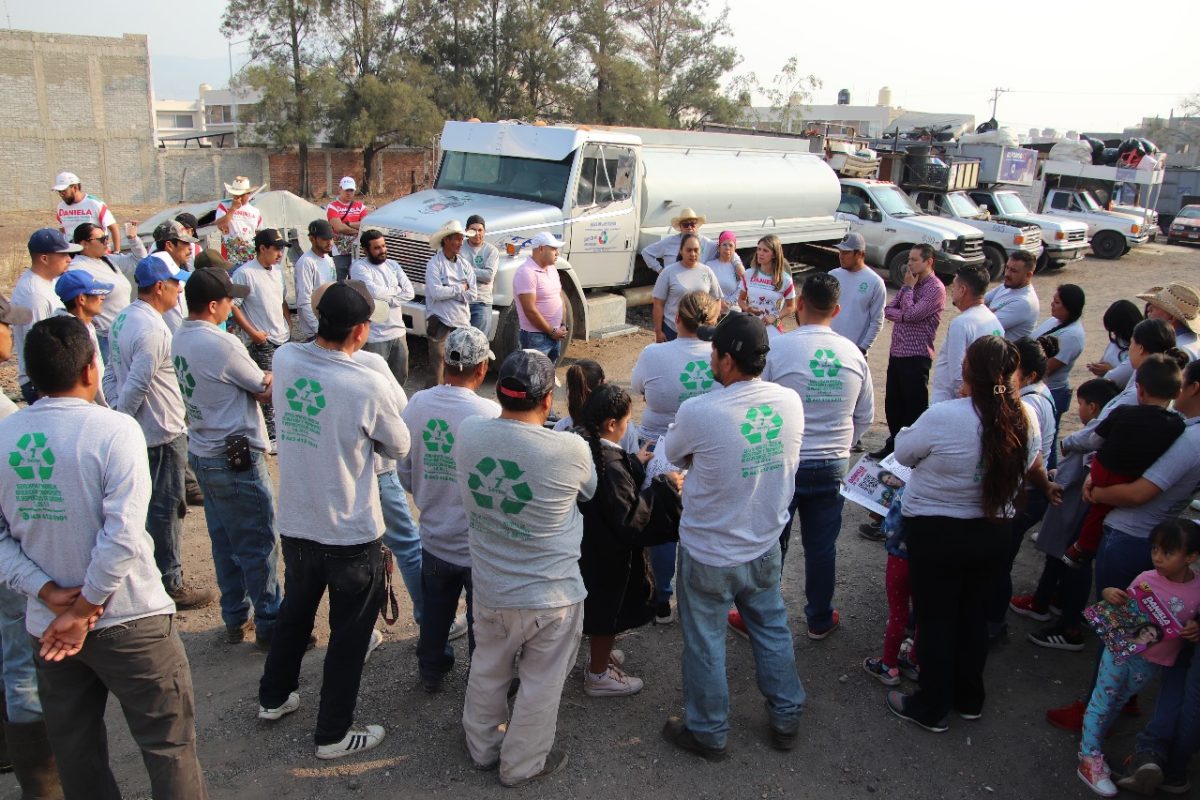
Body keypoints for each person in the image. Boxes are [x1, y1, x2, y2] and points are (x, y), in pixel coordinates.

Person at [0, 315, 207, 798]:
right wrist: (85, 608)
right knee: (169, 749)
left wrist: (45, 591)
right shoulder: (114, 430)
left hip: (48, 627)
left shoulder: (6, 435)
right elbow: (122, 535)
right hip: (129, 620)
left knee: (76, 755)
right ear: (91, 368)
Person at [257, 280, 409, 760]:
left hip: (298, 521)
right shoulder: (364, 383)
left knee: (295, 613)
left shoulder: (285, 358)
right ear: (361, 331)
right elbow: (400, 444)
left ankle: (274, 697)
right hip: (349, 530)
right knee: (349, 636)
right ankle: (332, 735)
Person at [661, 312, 806, 760]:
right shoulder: (789, 401)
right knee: (771, 628)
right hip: (763, 545)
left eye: (714, 351)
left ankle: (708, 731)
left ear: (726, 360)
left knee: (705, 641)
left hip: (709, 551)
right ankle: (786, 715)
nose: (710, 357)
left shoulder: (701, 410)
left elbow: (673, 454)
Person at [885, 336, 1043, 733]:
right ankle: (969, 698)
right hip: (993, 532)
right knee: (974, 615)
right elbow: (1030, 462)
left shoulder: (945, 416)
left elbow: (904, 452)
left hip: (938, 532)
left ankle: (932, 705)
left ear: (968, 370)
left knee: (936, 618)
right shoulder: (1025, 416)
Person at [458, 350, 596, 787]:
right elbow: (589, 492)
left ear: (498, 391)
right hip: (551, 594)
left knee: (488, 668)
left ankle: (482, 747)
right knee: (541, 684)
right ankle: (521, 764)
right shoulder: (569, 449)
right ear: (547, 400)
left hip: (492, 588)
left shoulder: (468, 433)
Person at [1033, 320, 1188, 659]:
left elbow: (1130, 485)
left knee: (1115, 609)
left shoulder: (1136, 415)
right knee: (1118, 608)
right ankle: (1117, 667)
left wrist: (1094, 485)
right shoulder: (1177, 426)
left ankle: (1102, 661)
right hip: (1131, 514)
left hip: (1125, 521)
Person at [741, 273, 872, 642]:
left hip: (785, 462)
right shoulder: (854, 355)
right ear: (837, 310)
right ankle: (819, 618)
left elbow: (757, 403)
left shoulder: (777, 349)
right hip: (833, 464)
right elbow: (864, 416)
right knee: (822, 547)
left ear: (799, 305)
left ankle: (757, 619)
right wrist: (840, 445)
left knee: (770, 542)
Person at [171, 268, 284, 649]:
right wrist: (271, 376)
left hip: (203, 450)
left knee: (224, 542)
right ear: (212, 305)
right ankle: (270, 623)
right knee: (258, 542)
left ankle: (235, 616)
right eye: (228, 300)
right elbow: (261, 388)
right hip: (235, 455)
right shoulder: (221, 343)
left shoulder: (180, 335)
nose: (232, 306)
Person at [104, 256, 215, 610]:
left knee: (158, 504)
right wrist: (123, 420)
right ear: (158, 287)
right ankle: (169, 581)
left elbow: (111, 372)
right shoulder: (152, 329)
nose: (179, 290)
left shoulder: (124, 318)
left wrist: (116, 409)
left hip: (149, 428)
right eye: (174, 283)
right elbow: (137, 384)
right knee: (166, 508)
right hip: (160, 431)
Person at [399, 327, 499, 693]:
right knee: (479, 618)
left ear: (444, 361)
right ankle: (480, 681)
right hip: (475, 544)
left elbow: (405, 471)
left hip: (433, 536)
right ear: (482, 369)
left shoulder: (417, 404)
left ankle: (431, 669)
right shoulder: (489, 414)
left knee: (436, 611)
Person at [1074, 520, 1200, 797]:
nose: (1157, 557)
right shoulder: (1146, 578)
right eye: (1154, 549)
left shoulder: (1197, 589)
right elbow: (1121, 605)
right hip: (1121, 651)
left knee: (1118, 700)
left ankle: (1092, 739)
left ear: (1191, 557)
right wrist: (1108, 593)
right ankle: (1089, 757)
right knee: (1103, 700)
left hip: (1152, 662)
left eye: (1167, 552)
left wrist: (1195, 628)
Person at [576, 383, 680, 697]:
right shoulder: (610, 465)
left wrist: (634, 462)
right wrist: (663, 486)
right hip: (609, 557)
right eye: (626, 421)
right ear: (612, 424)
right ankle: (598, 675)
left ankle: (600, 658)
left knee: (598, 610)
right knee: (607, 615)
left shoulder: (587, 448)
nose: (628, 426)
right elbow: (629, 518)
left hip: (589, 548)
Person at [629, 292, 721, 623]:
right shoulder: (721, 355)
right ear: (714, 321)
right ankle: (700, 599)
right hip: (705, 448)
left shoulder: (654, 353)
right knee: (703, 521)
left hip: (657, 447)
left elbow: (638, 387)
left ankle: (662, 597)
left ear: (676, 319)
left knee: (662, 523)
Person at [0, 293, 58, 797]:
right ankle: (41, 782)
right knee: (22, 658)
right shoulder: (7, 420)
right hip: (11, 564)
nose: (10, 336)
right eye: (5, 326)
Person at [1011, 379, 1119, 644]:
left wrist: (1052, 481)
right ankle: (1056, 601)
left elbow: (1071, 475)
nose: (1078, 409)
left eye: (1080, 404)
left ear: (1092, 408)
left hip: (1068, 506)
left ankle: (1044, 605)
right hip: (1076, 509)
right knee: (1067, 560)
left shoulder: (1089, 443)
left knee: (1061, 558)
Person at [1063, 355, 1185, 566]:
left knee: (1097, 510)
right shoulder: (1177, 425)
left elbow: (1095, 439)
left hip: (1104, 470)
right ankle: (1083, 547)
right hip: (1133, 476)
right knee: (1101, 510)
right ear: (1177, 393)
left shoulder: (1123, 412)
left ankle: (1082, 547)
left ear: (1140, 390)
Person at [984, 336, 1060, 641]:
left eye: (1011, 370)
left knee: (998, 564)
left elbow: (1033, 461)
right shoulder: (1038, 393)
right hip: (1027, 491)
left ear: (1029, 375)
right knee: (1000, 561)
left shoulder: (1028, 404)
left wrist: (1046, 487)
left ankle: (993, 623)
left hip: (1024, 493)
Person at [873, 244, 946, 459]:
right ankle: (893, 445)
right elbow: (888, 310)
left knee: (913, 407)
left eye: (914, 260)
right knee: (893, 403)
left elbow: (913, 314)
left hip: (916, 356)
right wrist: (904, 310)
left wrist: (908, 291)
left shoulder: (935, 288)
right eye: (909, 259)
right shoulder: (909, 284)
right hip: (897, 353)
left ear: (928, 262)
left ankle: (912, 450)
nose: (909, 264)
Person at [231, 229, 291, 447]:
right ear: (262, 248)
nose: (280, 254)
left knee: (283, 385)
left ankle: (281, 430)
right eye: (276, 249)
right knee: (266, 389)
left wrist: (288, 323)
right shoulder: (244, 273)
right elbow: (233, 306)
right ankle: (270, 437)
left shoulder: (277, 272)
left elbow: (281, 300)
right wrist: (253, 334)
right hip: (263, 341)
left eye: (282, 249)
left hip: (283, 337)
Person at [12, 229, 79, 405]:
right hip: (44, 384)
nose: (69, 259)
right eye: (63, 254)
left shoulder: (48, 282)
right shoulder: (34, 295)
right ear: (44, 258)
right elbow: (41, 348)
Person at [69, 222, 145, 361]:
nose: (107, 242)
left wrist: (133, 239)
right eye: (102, 239)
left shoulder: (108, 260)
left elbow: (140, 261)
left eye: (107, 237)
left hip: (125, 331)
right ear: (84, 244)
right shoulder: (77, 268)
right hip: (106, 337)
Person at [930, 265, 1003, 404]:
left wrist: (966, 402)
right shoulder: (995, 322)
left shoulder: (961, 323)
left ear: (962, 290)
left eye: (954, 286)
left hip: (951, 402)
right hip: (980, 400)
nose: (952, 291)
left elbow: (957, 374)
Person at [351, 229, 415, 386]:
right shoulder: (359, 268)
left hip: (398, 332)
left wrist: (388, 300)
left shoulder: (393, 265)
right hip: (375, 336)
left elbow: (410, 292)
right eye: (377, 248)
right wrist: (397, 290)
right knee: (375, 382)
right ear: (366, 250)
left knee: (399, 380)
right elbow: (373, 292)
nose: (382, 250)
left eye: (384, 246)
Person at [1032, 283, 1086, 455]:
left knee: (1045, 443)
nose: (1052, 304)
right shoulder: (1054, 321)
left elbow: (1047, 368)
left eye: (1057, 302)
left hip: (1052, 391)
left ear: (1069, 307)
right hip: (1041, 387)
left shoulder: (1072, 335)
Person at [424, 219, 477, 387]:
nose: (461, 243)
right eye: (457, 239)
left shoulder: (465, 265)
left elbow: (473, 294)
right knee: (437, 367)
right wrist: (460, 288)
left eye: (462, 239)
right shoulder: (434, 264)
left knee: (458, 368)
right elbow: (436, 293)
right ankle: (432, 398)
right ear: (446, 240)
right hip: (440, 322)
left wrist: (450, 291)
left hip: (461, 322)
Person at [54, 269, 113, 408]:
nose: (102, 298)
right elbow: (94, 382)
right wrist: (110, 409)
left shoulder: (84, 325)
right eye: (97, 293)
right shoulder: (71, 334)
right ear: (81, 299)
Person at [553, 360, 638, 452]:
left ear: (571, 390)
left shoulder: (561, 427)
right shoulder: (622, 425)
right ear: (603, 384)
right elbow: (633, 454)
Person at [652, 233, 721, 343]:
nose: (692, 254)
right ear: (681, 251)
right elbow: (658, 304)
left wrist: (712, 321)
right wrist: (658, 331)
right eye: (689, 250)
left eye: (696, 250)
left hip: (701, 332)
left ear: (700, 251)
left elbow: (717, 299)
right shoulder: (668, 272)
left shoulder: (707, 271)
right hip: (672, 331)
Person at [512, 232, 568, 362]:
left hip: (555, 334)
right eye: (553, 249)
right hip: (535, 337)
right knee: (535, 373)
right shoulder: (526, 272)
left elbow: (560, 297)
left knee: (549, 372)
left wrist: (563, 324)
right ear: (541, 248)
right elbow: (530, 310)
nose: (557, 253)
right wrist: (552, 331)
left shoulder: (552, 269)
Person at [828, 232, 886, 353]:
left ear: (860, 254)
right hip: (828, 348)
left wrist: (863, 348)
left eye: (846, 252)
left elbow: (877, 320)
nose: (841, 256)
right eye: (840, 252)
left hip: (854, 351)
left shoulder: (875, 282)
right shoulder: (832, 275)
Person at [738, 235, 795, 339]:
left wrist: (774, 317)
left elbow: (791, 306)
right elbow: (741, 300)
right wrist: (747, 308)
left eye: (765, 250)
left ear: (774, 255)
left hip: (773, 329)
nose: (760, 253)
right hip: (751, 327)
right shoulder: (748, 274)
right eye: (759, 249)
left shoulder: (785, 279)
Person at [151, 220, 200, 334]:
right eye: (185, 243)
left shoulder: (177, 272)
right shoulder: (163, 278)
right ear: (169, 245)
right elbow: (177, 327)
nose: (190, 248)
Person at [293, 220, 338, 343]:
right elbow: (304, 301)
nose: (330, 243)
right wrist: (318, 329)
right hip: (316, 332)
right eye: (325, 239)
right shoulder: (306, 263)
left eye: (331, 238)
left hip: (329, 327)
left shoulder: (328, 259)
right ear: (312, 239)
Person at [52, 171, 119, 248]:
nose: (61, 194)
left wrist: (117, 251)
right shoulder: (61, 207)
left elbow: (113, 228)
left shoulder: (95, 204)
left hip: (97, 252)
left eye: (64, 191)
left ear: (75, 187)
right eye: (59, 191)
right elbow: (63, 230)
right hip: (73, 252)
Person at [984, 251, 1040, 341]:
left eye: (1013, 271)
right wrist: (987, 313)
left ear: (1028, 275)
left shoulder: (1024, 302)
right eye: (1007, 268)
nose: (1007, 274)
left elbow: (985, 326)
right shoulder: (1007, 285)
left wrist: (981, 311)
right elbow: (976, 302)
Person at [1086, 299, 1143, 388]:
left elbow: (1122, 376)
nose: (1114, 334)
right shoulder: (1117, 341)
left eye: (1116, 330)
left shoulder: (1138, 349)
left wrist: (1110, 370)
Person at [641, 207, 717, 272]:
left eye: (692, 224)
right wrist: (660, 270)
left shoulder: (707, 243)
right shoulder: (669, 242)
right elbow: (646, 252)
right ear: (680, 227)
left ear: (697, 226)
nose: (689, 227)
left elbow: (721, 255)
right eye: (686, 225)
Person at [1137, 282, 1200, 360]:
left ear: (1171, 318)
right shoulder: (1193, 341)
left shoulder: (1175, 352)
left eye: (1156, 306)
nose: (1148, 309)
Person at [326, 176, 369, 278]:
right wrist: (358, 230)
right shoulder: (332, 206)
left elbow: (365, 225)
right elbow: (338, 227)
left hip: (358, 250)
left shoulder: (361, 207)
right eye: (346, 190)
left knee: (357, 279)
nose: (349, 193)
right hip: (339, 251)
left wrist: (349, 224)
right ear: (340, 189)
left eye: (351, 190)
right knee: (339, 279)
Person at [215, 176, 264, 266]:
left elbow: (259, 233)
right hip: (230, 257)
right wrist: (233, 208)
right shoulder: (224, 206)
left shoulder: (255, 211)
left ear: (248, 194)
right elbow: (220, 224)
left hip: (251, 257)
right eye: (235, 194)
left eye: (241, 195)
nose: (238, 197)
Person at [463, 215, 499, 334]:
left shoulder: (491, 250)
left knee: (478, 342)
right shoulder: (459, 248)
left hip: (481, 303)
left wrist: (466, 269)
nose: (477, 233)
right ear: (466, 231)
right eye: (473, 230)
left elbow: (488, 276)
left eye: (480, 230)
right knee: (458, 342)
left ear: (484, 231)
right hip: (461, 302)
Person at [705, 231, 744, 315]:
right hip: (713, 310)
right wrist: (718, 302)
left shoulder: (737, 268)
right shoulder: (709, 265)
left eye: (730, 245)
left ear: (735, 248)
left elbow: (742, 287)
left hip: (733, 311)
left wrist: (728, 303)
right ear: (719, 247)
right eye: (724, 245)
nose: (727, 248)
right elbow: (705, 286)